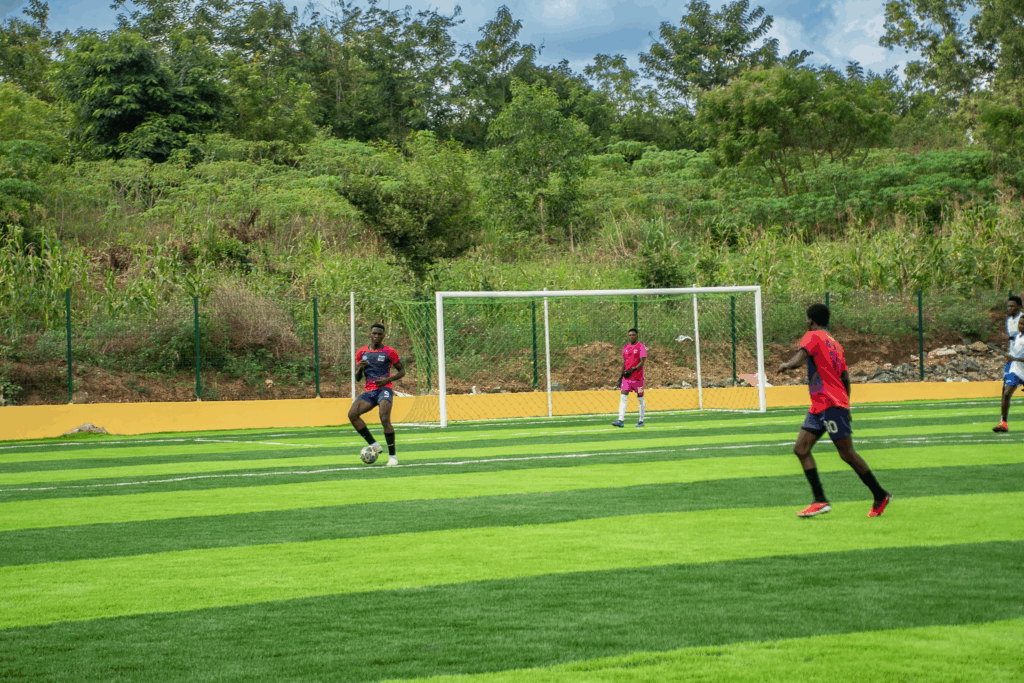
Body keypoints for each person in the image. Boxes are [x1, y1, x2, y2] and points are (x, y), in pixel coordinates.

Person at [777, 303, 891, 518]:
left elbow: (799, 359)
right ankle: (819, 500)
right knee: (801, 449)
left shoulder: (812, 336)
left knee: (847, 453)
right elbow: (845, 378)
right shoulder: (834, 344)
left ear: (811, 320)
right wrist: (847, 405)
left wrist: (786, 365)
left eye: (806, 319)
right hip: (821, 406)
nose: (806, 322)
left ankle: (880, 494)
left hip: (830, 404)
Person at [349, 323, 406, 466]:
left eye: (380, 334)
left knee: (384, 418)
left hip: (384, 389)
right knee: (352, 414)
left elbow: (402, 371)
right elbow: (357, 378)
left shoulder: (389, 352)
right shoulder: (362, 352)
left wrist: (388, 380)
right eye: (374, 333)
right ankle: (374, 445)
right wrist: (360, 368)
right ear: (370, 335)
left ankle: (392, 457)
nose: (377, 336)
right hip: (370, 391)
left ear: (384, 336)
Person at [993, 295, 1023, 432]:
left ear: (1019, 307)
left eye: (1012, 306)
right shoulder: (1009, 320)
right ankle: (1003, 421)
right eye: (1008, 306)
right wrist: (1009, 354)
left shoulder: (1021, 318)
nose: (1010, 308)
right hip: (1014, 361)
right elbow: (1012, 340)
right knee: (1006, 390)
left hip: (1018, 360)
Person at [612, 327, 647, 428]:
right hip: (627, 378)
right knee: (623, 397)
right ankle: (620, 420)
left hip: (638, 379)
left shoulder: (641, 347)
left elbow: (642, 361)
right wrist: (621, 375)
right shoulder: (626, 347)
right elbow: (624, 362)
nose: (631, 336)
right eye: (630, 335)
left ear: (636, 336)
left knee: (640, 398)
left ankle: (641, 420)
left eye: (633, 335)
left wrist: (633, 369)